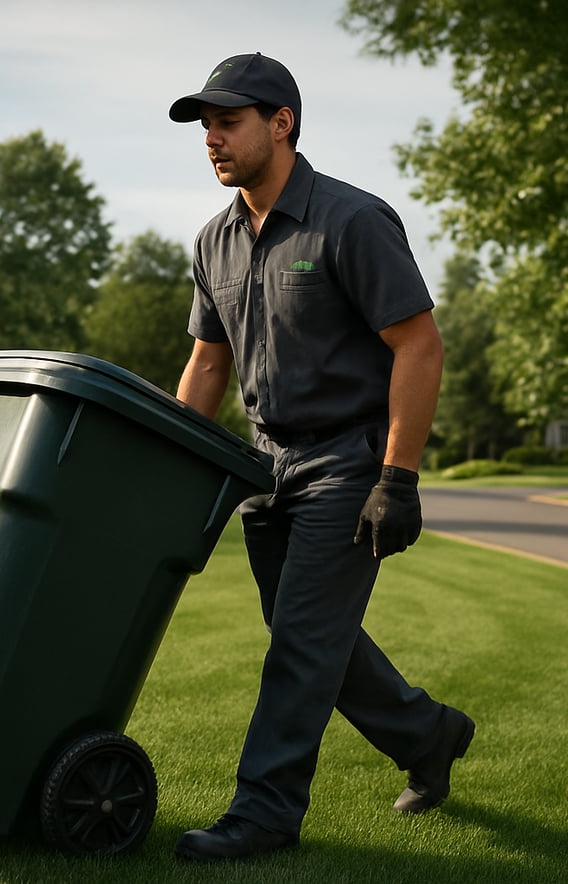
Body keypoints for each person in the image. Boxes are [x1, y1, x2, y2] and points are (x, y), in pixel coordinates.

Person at [168, 53, 475, 862]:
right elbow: (207, 364)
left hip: (348, 463)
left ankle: (264, 813)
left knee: (301, 642)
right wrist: (168, 465)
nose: (212, 140)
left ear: (281, 123)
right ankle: (430, 734)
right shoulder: (214, 242)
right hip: (263, 466)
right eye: (205, 128)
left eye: (227, 122)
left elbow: (418, 345)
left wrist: (397, 480)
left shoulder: (351, 220)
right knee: (311, 633)